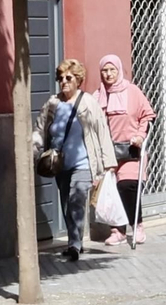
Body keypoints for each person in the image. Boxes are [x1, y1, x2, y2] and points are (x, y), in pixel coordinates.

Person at [34, 59, 115, 262]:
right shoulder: (53, 103)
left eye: (68, 78)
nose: (64, 81)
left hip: (84, 163)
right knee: (66, 205)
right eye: (60, 78)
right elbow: (39, 129)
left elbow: (101, 131)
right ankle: (74, 240)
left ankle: (75, 245)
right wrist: (32, 151)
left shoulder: (88, 102)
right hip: (59, 164)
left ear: (78, 80)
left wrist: (108, 162)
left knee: (76, 200)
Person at [97, 54, 156, 246]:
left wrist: (140, 135)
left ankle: (137, 225)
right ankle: (118, 230)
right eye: (105, 70)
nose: (109, 74)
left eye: (112, 69)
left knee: (128, 186)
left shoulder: (132, 91)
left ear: (119, 70)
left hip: (131, 149)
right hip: (108, 151)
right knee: (112, 192)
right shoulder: (97, 96)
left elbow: (147, 115)